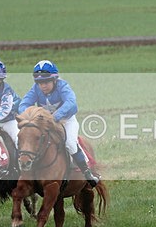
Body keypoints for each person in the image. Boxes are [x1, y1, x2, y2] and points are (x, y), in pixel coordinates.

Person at [18, 60, 99, 188]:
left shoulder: (63, 86)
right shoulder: (35, 89)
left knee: (70, 143)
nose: (43, 86)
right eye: (39, 83)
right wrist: (29, 117)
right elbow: (23, 104)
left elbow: (71, 103)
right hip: (44, 123)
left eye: (46, 82)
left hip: (66, 120)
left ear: (54, 79)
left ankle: (87, 172)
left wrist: (55, 117)